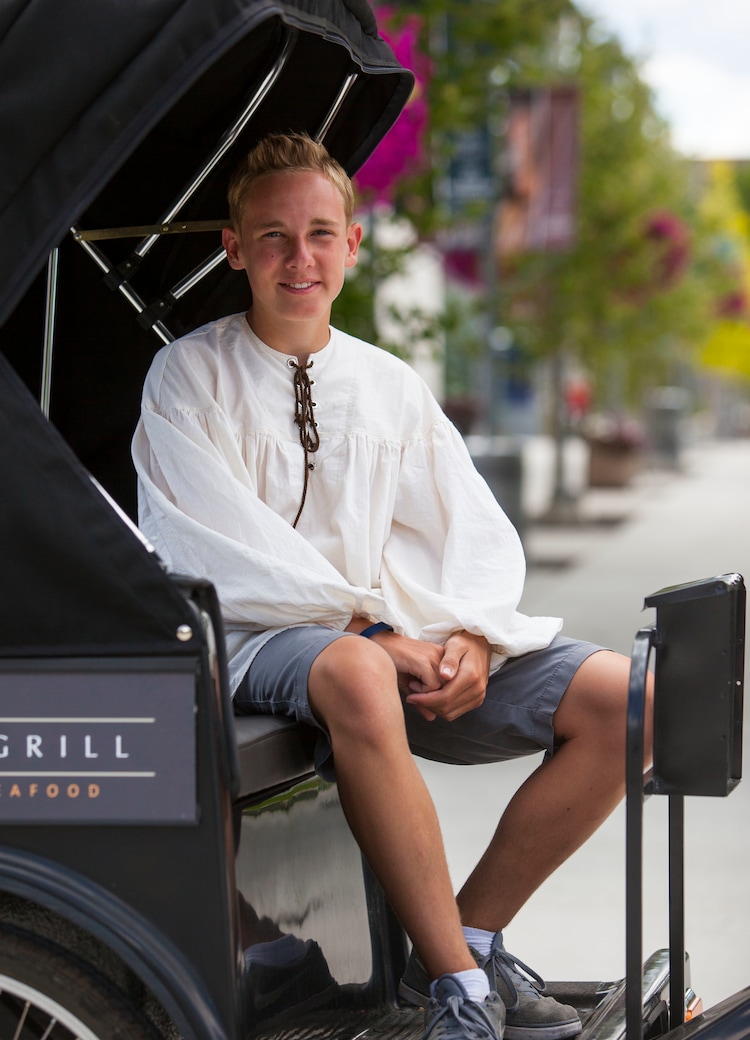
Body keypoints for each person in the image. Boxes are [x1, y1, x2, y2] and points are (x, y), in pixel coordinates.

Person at [132, 133, 653, 1040]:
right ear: (232, 246)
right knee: (358, 671)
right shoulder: (189, 378)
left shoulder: (389, 385)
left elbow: (473, 530)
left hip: (400, 642)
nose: (300, 258)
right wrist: (372, 633)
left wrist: (477, 635)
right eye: (273, 236)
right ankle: (462, 995)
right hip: (263, 643)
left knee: (634, 700)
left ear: (354, 245)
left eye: (321, 234)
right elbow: (211, 549)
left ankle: (469, 937)